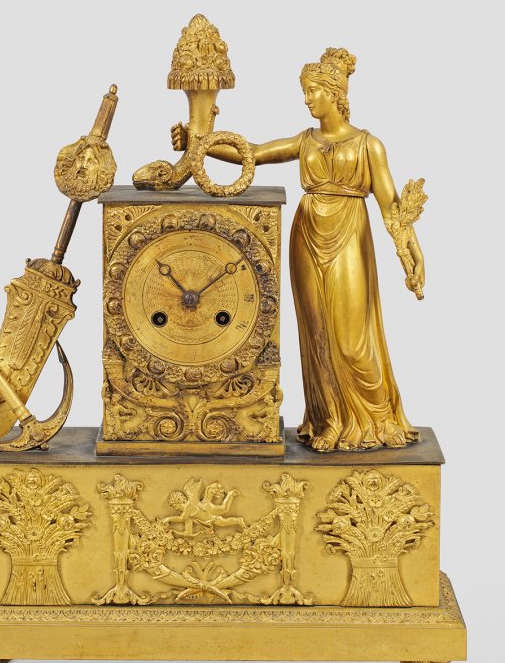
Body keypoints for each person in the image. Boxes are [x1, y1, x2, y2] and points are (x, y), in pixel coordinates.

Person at [172, 47, 424, 451]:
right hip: (307, 233)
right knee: (317, 330)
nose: (307, 99)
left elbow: (392, 207)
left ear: (334, 93)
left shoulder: (368, 145)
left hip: (348, 233)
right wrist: (197, 141)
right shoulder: (305, 141)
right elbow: (251, 153)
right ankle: (329, 421)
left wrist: (411, 255)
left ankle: (378, 419)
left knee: (352, 338)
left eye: (312, 91)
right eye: (304, 92)